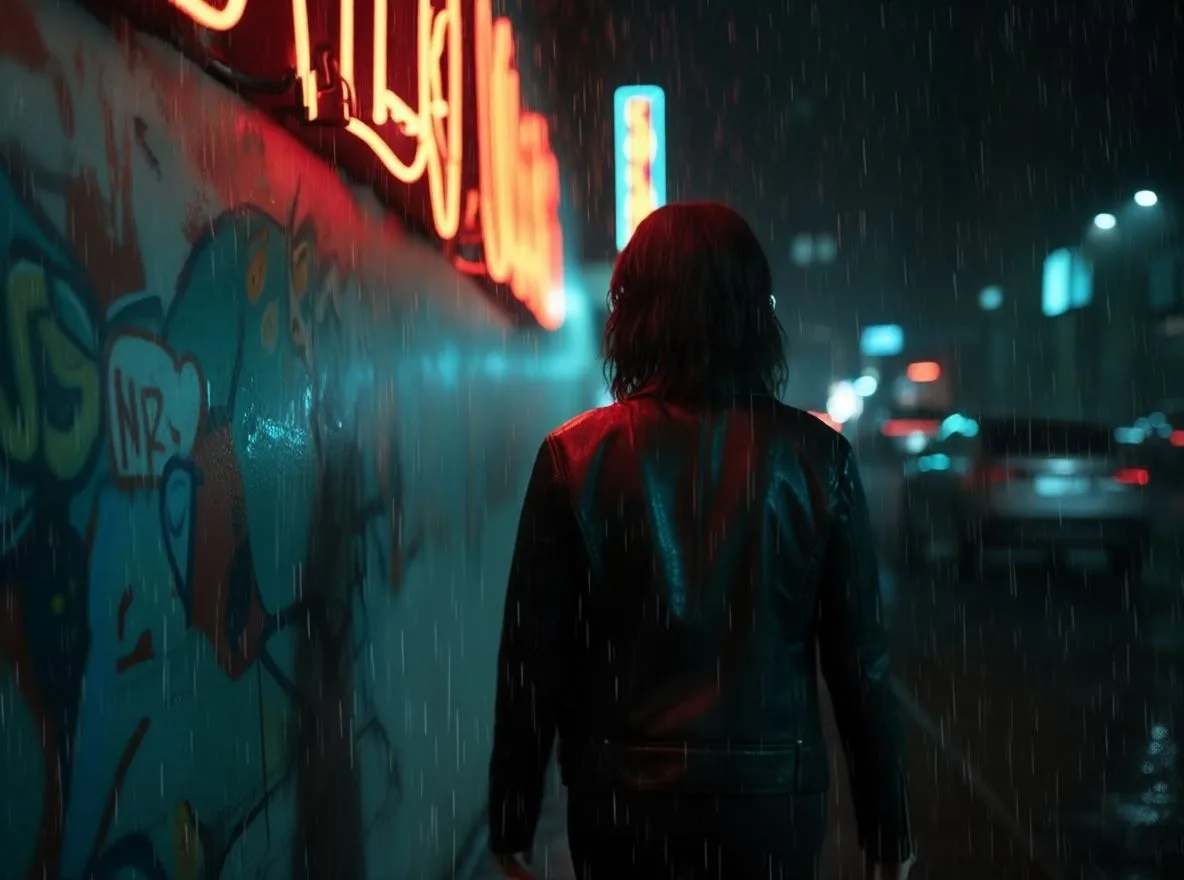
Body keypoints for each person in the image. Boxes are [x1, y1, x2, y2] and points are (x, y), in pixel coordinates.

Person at [488, 202, 915, 879]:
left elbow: (532, 660)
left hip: (623, 802)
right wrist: (887, 832)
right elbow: (859, 663)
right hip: (771, 802)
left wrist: (510, 817)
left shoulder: (575, 457)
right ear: (755, 312)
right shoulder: (817, 459)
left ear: (632, 313)